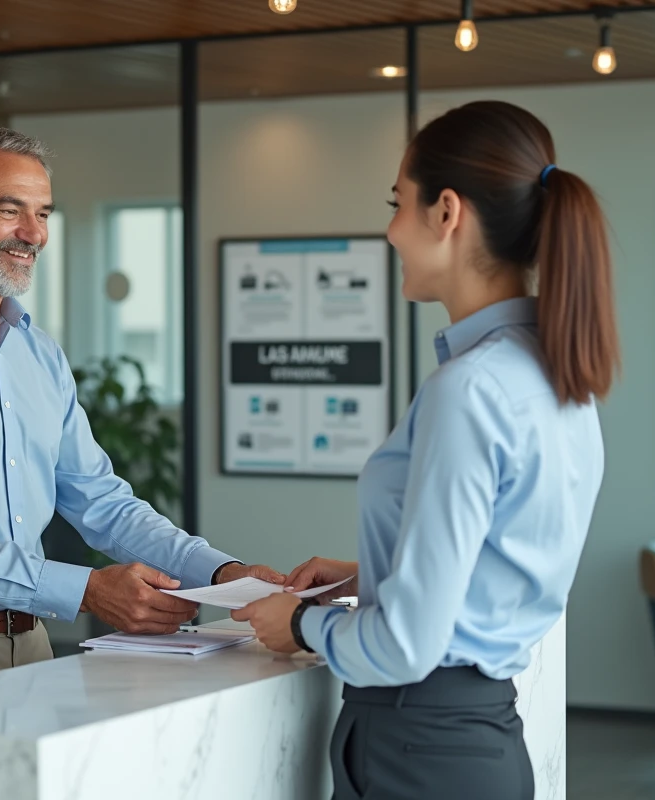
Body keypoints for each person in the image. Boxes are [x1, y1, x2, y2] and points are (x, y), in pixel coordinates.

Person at [233, 101, 619, 800]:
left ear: (447, 212)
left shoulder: (468, 389)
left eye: (397, 203)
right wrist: (367, 573)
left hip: (420, 751)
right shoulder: (557, 375)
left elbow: (407, 645)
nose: (389, 231)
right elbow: (503, 553)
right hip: (480, 743)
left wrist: (299, 621)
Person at [0, 127, 280, 697]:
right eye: (10, 210)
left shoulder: (37, 352)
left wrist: (220, 574)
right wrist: (87, 590)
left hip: (31, 647)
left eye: (43, 214)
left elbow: (102, 501)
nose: (33, 234)